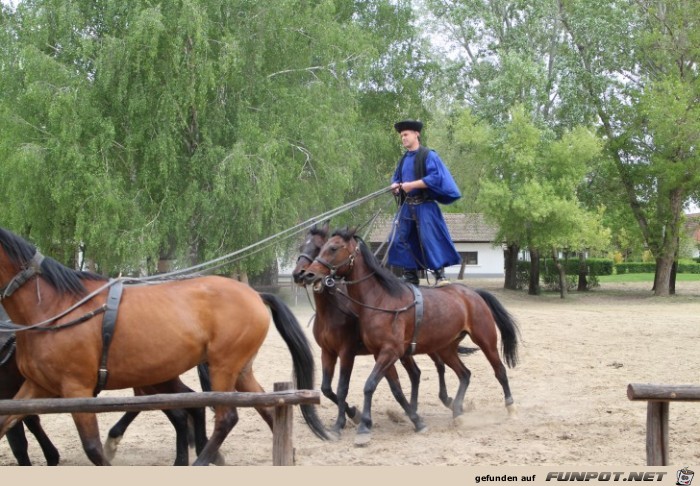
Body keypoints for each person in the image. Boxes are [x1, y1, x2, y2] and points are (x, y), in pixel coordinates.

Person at [387, 119, 461, 287]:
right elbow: (397, 178)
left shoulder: (428, 155)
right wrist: (395, 185)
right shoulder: (403, 159)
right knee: (399, 238)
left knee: (431, 238)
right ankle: (410, 276)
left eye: (406, 135)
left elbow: (435, 178)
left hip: (425, 205)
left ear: (416, 134)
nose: (403, 138)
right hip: (407, 206)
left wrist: (412, 185)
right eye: (401, 136)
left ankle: (440, 275)